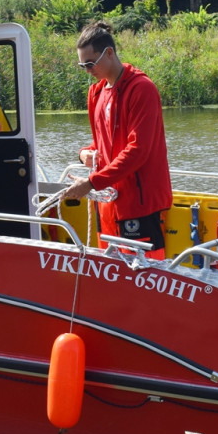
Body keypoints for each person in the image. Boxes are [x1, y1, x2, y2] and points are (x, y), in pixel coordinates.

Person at [62, 21, 172, 259]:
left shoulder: (142, 89)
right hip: (108, 201)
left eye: (90, 63)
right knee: (111, 270)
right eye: (82, 66)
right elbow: (100, 143)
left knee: (145, 276)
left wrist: (91, 183)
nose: (88, 70)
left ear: (109, 53)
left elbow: (138, 151)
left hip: (137, 204)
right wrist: (84, 154)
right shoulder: (97, 93)